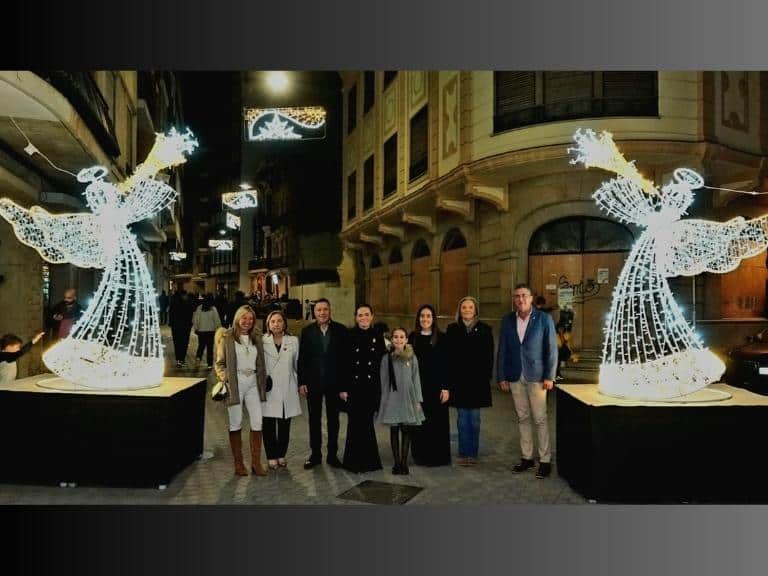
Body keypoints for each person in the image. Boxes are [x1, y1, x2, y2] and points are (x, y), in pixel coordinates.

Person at [497, 283, 558, 479]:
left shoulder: (544, 319)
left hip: (538, 377)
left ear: (531, 298)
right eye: (517, 296)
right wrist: (501, 376)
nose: (520, 299)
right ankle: (527, 458)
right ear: (514, 300)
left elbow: (551, 350)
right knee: (522, 418)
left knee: (540, 419)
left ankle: (545, 460)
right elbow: (503, 351)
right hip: (515, 376)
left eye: (524, 295)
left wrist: (550, 376)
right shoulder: (507, 320)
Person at [214, 305, 268, 476]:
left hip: (253, 384)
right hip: (235, 385)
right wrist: (225, 379)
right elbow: (219, 363)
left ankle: (256, 463)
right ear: (238, 318)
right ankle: (238, 464)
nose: (247, 321)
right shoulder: (227, 337)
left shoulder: (257, 337)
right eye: (244, 318)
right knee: (235, 422)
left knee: (258, 422)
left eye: (251, 319)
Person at [298, 297, 348, 469]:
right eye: (319, 310)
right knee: (314, 419)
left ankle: (332, 455)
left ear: (330, 310)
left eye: (325, 309)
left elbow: (345, 361)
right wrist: (302, 381)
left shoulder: (341, 331)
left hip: (334, 384)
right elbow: (302, 358)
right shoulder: (307, 332)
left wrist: (344, 386)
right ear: (314, 312)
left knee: (334, 420)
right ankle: (315, 455)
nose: (322, 313)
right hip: (313, 382)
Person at [443, 296, 494, 466]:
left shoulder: (485, 329)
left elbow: (489, 356)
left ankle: (473, 453)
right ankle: (464, 453)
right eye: (464, 307)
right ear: (459, 310)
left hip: (477, 381)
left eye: (470, 307)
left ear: (475, 310)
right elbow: (448, 356)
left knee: (475, 418)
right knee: (462, 418)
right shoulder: (452, 329)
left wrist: (486, 377)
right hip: (459, 381)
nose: (467, 310)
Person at [339, 304, 385, 474]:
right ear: (355, 317)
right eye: (360, 315)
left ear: (372, 316)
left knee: (367, 424)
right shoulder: (349, 335)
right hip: (354, 387)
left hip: (371, 387)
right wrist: (343, 388)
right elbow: (343, 363)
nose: (364, 318)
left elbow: (382, 363)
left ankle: (370, 461)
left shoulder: (377, 336)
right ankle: (353, 462)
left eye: (367, 314)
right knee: (354, 424)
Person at [408, 304, 451, 467]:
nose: (425, 319)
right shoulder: (412, 338)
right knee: (419, 422)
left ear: (433, 319)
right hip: (417, 387)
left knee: (437, 422)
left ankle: (438, 457)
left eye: (428, 316)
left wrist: (446, 387)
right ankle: (420, 456)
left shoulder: (442, 338)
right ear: (418, 319)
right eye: (422, 316)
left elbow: (448, 364)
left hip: (437, 387)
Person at [379, 327, 424, 475]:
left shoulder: (412, 357)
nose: (399, 339)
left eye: (402, 337)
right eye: (396, 337)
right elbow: (384, 380)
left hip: (408, 397)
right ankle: (396, 462)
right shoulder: (387, 358)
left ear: (406, 340)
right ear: (392, 340)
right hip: (392, 397)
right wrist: (384, 400)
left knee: (406, 430)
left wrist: (418, 399)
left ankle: (404, 463)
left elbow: (416, 378)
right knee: (394, 430)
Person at [261, 310, 301, 470]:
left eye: (279, 321)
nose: (276, 324)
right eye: (273, 321)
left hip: (287, 387)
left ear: (284, 323)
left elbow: (297, 364)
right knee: (269, 424)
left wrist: (300, 383)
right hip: (269, 389)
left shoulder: (293, 341)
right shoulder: (262, 341)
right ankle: (271, 456)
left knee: (285, 424)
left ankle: (281, 454)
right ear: (268, 325)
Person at [192, 294, 222, 369]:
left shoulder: (199, 308)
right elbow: (217, 320)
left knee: (201, 346)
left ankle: (198, 360)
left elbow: (196, 319)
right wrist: (219, 328)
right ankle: (209, 364)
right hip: (211, 331)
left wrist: (196, 328)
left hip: (201, 331)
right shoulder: (213, 308)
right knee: (210, 348)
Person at [169, 287, 195, 368]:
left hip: (176, 326)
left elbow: (171, 314)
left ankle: (178, 360)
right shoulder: (188, 303)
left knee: (177, 343)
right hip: (185, 326)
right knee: (184, 343)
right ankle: (182, 359)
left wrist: (171, 323)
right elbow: (191, 314)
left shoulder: (174, 303)